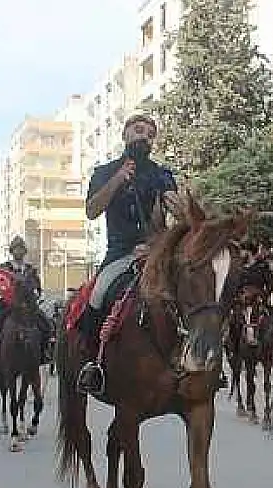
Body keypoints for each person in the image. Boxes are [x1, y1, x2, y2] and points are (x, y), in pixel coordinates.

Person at [76, 114, 182, 395]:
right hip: (120, 253)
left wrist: (179, 207)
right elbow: (91, 211)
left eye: (149, 134)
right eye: (138, 131)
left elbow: (178, 215)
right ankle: (92, 363)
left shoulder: (163, 175)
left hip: (157, 253)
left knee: (193, 289)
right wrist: (117, 180)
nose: (144, 137)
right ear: (124, 135)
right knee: (97, 294)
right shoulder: (104, 171)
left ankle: (197, 360)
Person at [0, 236, 53, 362]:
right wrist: (0, 290)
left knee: (46, 325)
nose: (19, 251)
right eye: (16, 249)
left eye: (21, 249)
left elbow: (38, 287)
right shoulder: (4, 268)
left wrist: (36, 294)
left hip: (27, 305)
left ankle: (44, 353)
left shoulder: (30, 269)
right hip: (7, 304)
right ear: (12, 251)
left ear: (24, 251)